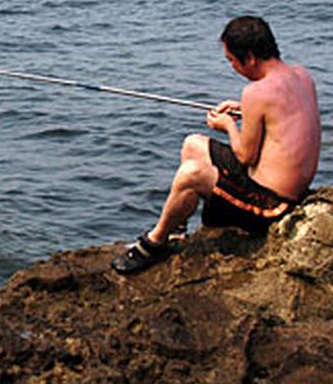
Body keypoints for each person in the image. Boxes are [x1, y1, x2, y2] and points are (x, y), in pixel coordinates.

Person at [111, 16, 321, 274]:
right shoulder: (302, 75)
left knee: (191, 173)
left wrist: (228, 125)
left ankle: (155, 242)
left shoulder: (257, 92)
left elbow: (245, 156)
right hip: (290, 187)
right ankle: (178, 229)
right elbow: (283, 114)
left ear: (251, 58)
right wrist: (245, 109)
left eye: (232, 60)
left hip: (271, 205)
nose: (232, 66)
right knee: (192, 145)